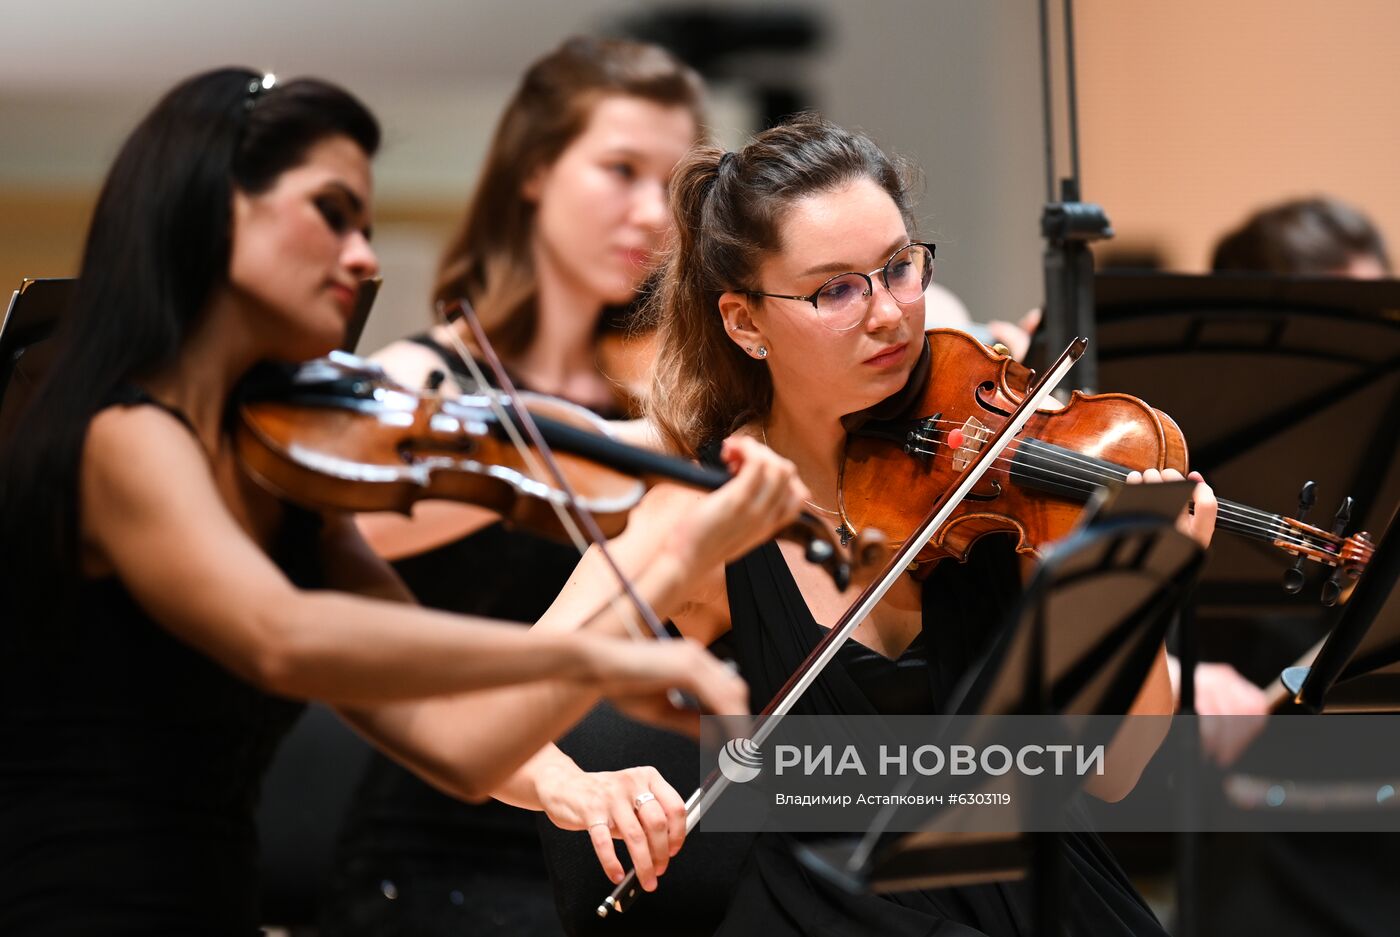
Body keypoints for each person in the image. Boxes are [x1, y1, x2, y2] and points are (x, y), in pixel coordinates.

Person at [0, 67, 808, 935]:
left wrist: (581, 761)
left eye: (367, 225)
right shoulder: (122, 432)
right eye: (331, 213)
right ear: (215, 211)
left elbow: (461, 746)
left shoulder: (289, 490)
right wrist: (598, 661)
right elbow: (283, 636)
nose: (364, 257)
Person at [498, 114, 1218, 935]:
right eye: (835, 289)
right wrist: (575, 786)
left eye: (898, 268)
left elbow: (1113, 774)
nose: (888, 314)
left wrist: (1135, 602)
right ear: (744, 322)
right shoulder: (707, 514)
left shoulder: (997, 481)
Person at [318, 37, 705, 935]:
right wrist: (624, 443)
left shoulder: (667, 383)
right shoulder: (423, 380)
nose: (651, 212)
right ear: (534, 171)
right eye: (620, 170)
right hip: (454, 848)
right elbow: (343, 534)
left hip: (645, 835)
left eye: (675, 185)